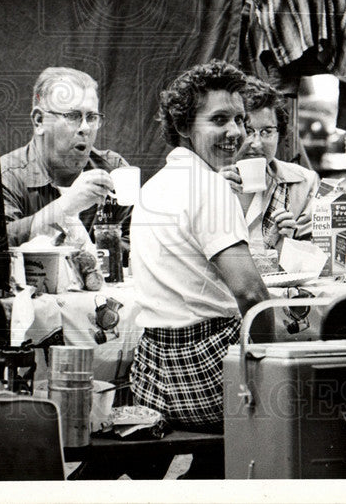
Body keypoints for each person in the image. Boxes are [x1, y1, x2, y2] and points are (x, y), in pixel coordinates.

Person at [130, 60, 273, 455]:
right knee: (319, 384)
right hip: (205, 380)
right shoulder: (209, 187)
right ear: (182, 127)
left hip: (152, 375)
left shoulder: (154, 185)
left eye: (241, 120)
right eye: (219, 120)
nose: (237, 133)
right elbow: (251, 296)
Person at [0, 67, 130, 247]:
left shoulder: (112, 169)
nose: (85, 128)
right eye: (72, 116)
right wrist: (65, 206)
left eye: (91, 117)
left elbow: (140, 244)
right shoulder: (7, 175)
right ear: (39, 121)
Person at [220, 76, 319, 273]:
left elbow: (318, 265)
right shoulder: (208, 181)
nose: (256, 144)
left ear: (279, 134)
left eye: (266, 132)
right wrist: (214, 194)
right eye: (248, 131)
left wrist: (285, 245)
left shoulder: (302, 183)